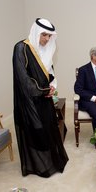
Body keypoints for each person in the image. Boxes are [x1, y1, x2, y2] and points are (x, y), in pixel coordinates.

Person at [12, 18, 68, 178]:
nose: (47, 39)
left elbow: (49, 72)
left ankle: (49, 161)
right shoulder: (21, 48)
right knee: (35, 129)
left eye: (50, 36)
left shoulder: (45, 49)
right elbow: (24, 79)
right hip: (29, 100)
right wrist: (44, 91)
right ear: (36, 32)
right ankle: (36, 165)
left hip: (44, 97)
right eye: (44, 35)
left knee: (48, 127)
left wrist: (52, 87)